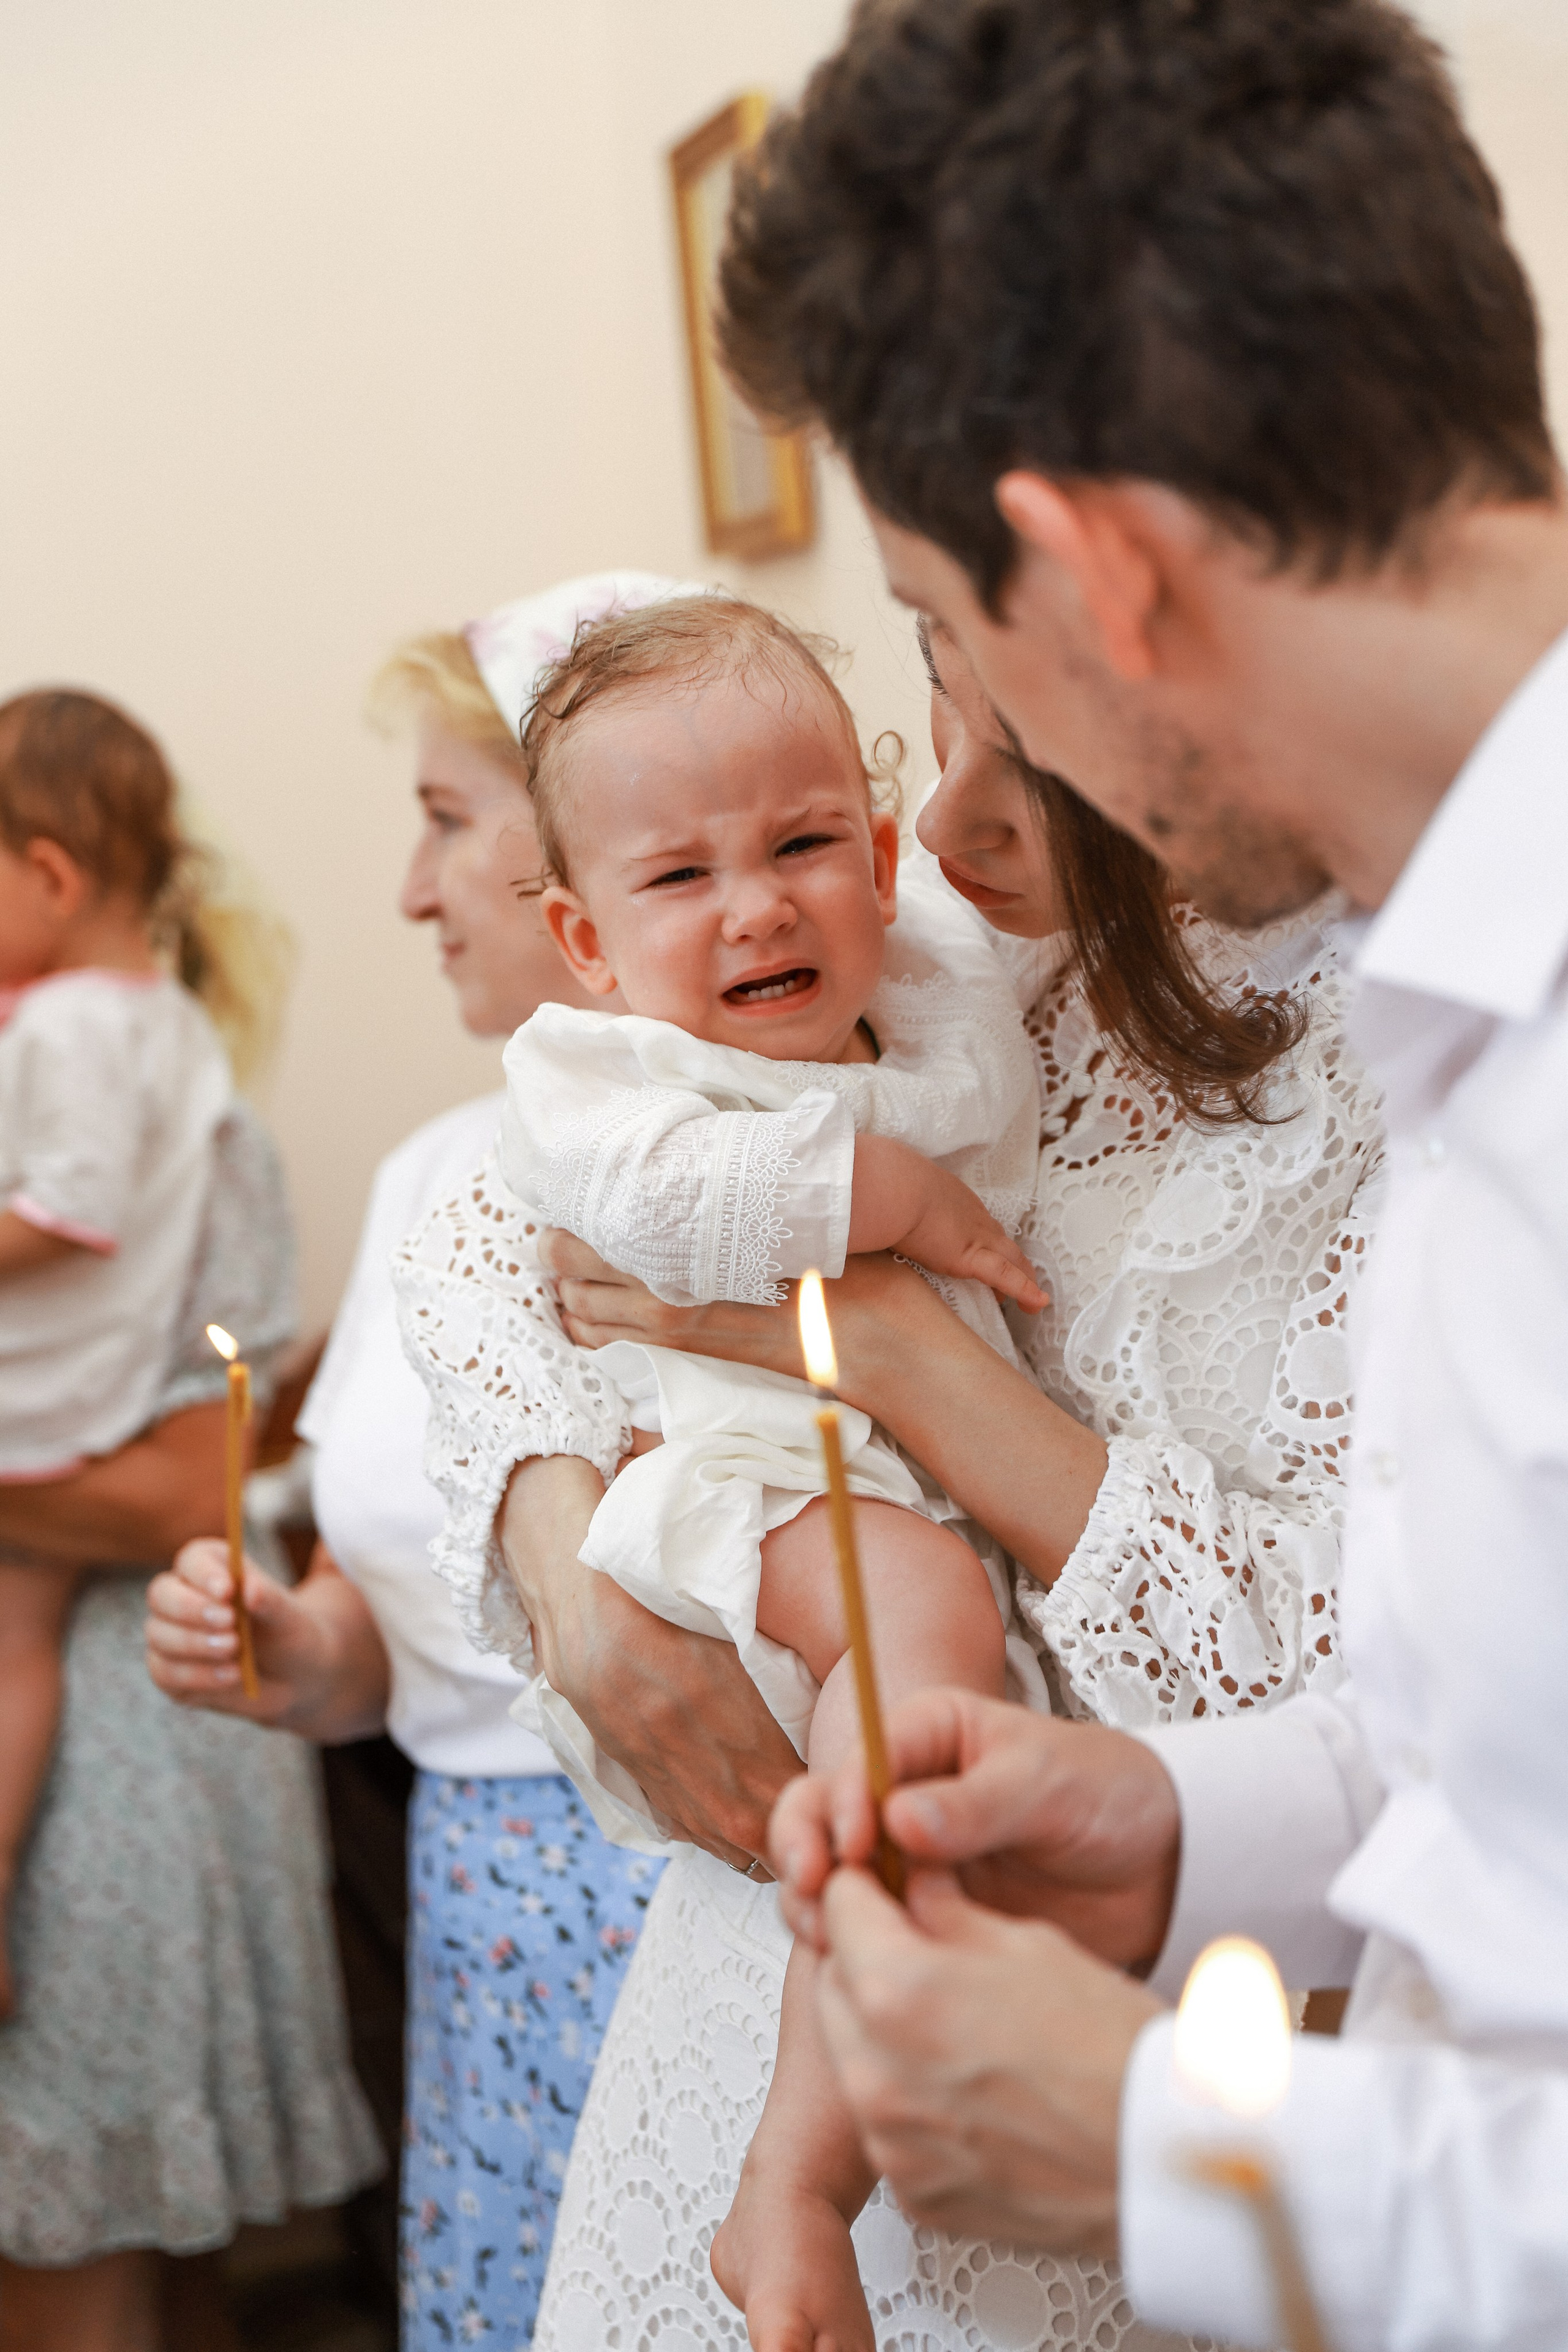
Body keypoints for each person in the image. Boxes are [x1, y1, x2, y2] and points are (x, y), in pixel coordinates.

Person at [714, 1, 1568, 2345]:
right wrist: (1183, 1829)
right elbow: (1513, 1760)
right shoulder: (1454, 988)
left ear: (1096, 576)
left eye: (949, 637)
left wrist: (1177, 2153)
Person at [398, 591, 1382, 2346]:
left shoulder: (1435, 1067)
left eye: (1040, 754)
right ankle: (785, 2175)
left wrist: (904, 1354)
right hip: (756, 1928)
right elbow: (494, 1209)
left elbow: (1370, 1700)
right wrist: (565, 1559)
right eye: (944, 695)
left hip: (1141, 2061)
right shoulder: (963, 937)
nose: (940, 825)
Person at [437, 589, 1050, 2348]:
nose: (758, 905)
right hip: (731, 1485)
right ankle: (794, 2180)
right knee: (919, 1622)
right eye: (680, 878)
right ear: (583, 935)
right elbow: (669, 1206)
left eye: (801, 846)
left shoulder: (930, 992)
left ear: (875, 849)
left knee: (942, 1649)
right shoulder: (595, 1072)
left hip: (880, 1472)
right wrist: (905, 1205)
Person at [145, 575, 690, 2350]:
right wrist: (298, 1658)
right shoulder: (427, 1174)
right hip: (480, 1915)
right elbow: (400, 1625)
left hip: (688, 1904)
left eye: (447, 822)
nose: (406, 891)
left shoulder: (748, 1169)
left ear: (589, 848)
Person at [0, 775, 377, 2350]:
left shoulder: (167, 1121)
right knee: (158, 2259)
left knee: (89, 2244)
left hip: (125, 1735)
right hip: (126, 1702)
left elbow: (189, 1489)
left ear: (54, 871)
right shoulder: (123, 1066)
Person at [0, 690, 235, 2018]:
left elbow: (66, 1214)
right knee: (17, 1634)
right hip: (92, 1391)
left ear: (47, 874)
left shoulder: (74, 1028)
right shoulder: (161, 1022)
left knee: (12, 1634)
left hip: (33, 1386)